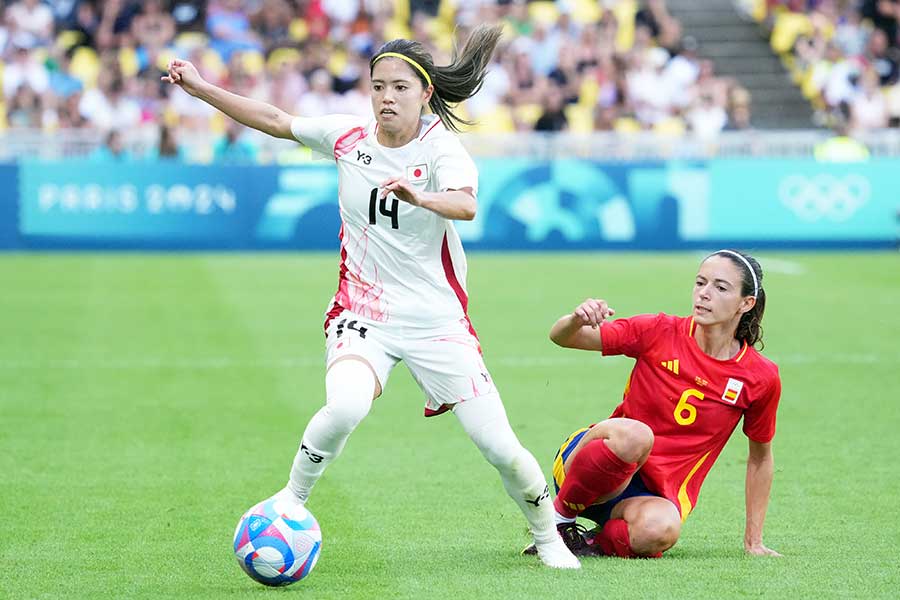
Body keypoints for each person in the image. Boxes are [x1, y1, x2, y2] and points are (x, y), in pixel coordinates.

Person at [161, 24, 580, 569]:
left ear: (425, 93)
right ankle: (289, 501)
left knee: (500, 447)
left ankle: (548, 536)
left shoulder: (441, 150)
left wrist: (422, 195)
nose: (386, 96)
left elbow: (466, 205)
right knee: (345, 406)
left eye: (399, 87)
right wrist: (202, 89)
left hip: (437, 323)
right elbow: (275, 120)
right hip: (363, 314)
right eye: (378, 85)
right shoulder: (347, 136)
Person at [524, 250, 782, 559]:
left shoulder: (760, 377)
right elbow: (563, 337)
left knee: (662, 530)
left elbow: (760, 459)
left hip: (646, 498)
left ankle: (591, 543)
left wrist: (754, 541)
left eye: (720, 287)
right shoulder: (659, 330)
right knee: (637, 436)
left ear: (746, 303)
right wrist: (577, 318)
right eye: (700, 283)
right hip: (591, 462)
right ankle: (558, 520)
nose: (704, 294)